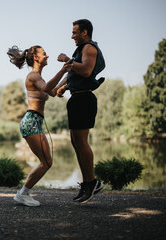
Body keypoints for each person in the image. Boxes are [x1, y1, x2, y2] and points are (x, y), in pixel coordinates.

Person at [7, 45, 72, 206]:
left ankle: (23, 193)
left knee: (46, 162)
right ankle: (22, 194)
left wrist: (69, 75)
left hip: (35, 122)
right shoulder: (33, 76)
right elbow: (46, 88)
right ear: (36, 57)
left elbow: (52, 91)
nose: (47, 55)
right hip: (31, 122)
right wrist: (63, 70)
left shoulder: (39, 77)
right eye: (44, 54)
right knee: (47, 162)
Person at [56, 19, 105, 203]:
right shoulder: (81, 50)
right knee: (75, 141)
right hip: (77, 98)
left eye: (75, 32)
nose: (72, 35)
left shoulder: (89, 48)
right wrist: (63, 87)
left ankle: (92, 182)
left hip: (84, 99)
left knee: (82, 142)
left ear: (84, 32)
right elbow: (75, 75)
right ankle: (87, 183)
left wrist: (67, 60)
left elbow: (85, 71)